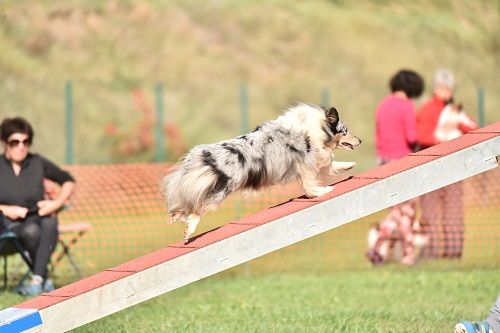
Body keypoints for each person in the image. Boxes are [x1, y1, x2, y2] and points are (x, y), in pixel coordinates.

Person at [0, 117, 75, 296]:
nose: (21, 146)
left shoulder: (37, 162)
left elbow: (68, 180)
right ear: (5, 143)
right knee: (32, 230)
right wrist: (5, 209)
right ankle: (44, 277)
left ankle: (37, 280)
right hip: (7, 227)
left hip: (38, 218)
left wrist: (56, 204)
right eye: (15, 142)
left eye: (26, 141)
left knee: (50, 221)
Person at [416, 69, 477, 259]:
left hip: (454, 166)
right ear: (437, 88)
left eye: (449, 88)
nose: (447, 91)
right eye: (443, 87)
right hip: (431, 165)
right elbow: (421, 136)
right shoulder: (427, 108)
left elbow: (473, 127)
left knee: (453, 209)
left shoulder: (456, 109)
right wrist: (441, 140)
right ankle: (430, 251)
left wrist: (457, 124)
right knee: (430, 210)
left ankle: (453, 252)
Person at [366, 69, 425, 266]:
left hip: (383, 162)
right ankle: (378, 250)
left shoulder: (383, 105)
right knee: (404, 211)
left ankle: (407, 255)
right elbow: (412, 137)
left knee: (400, 211)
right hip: (403, 161)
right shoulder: (406, 106)